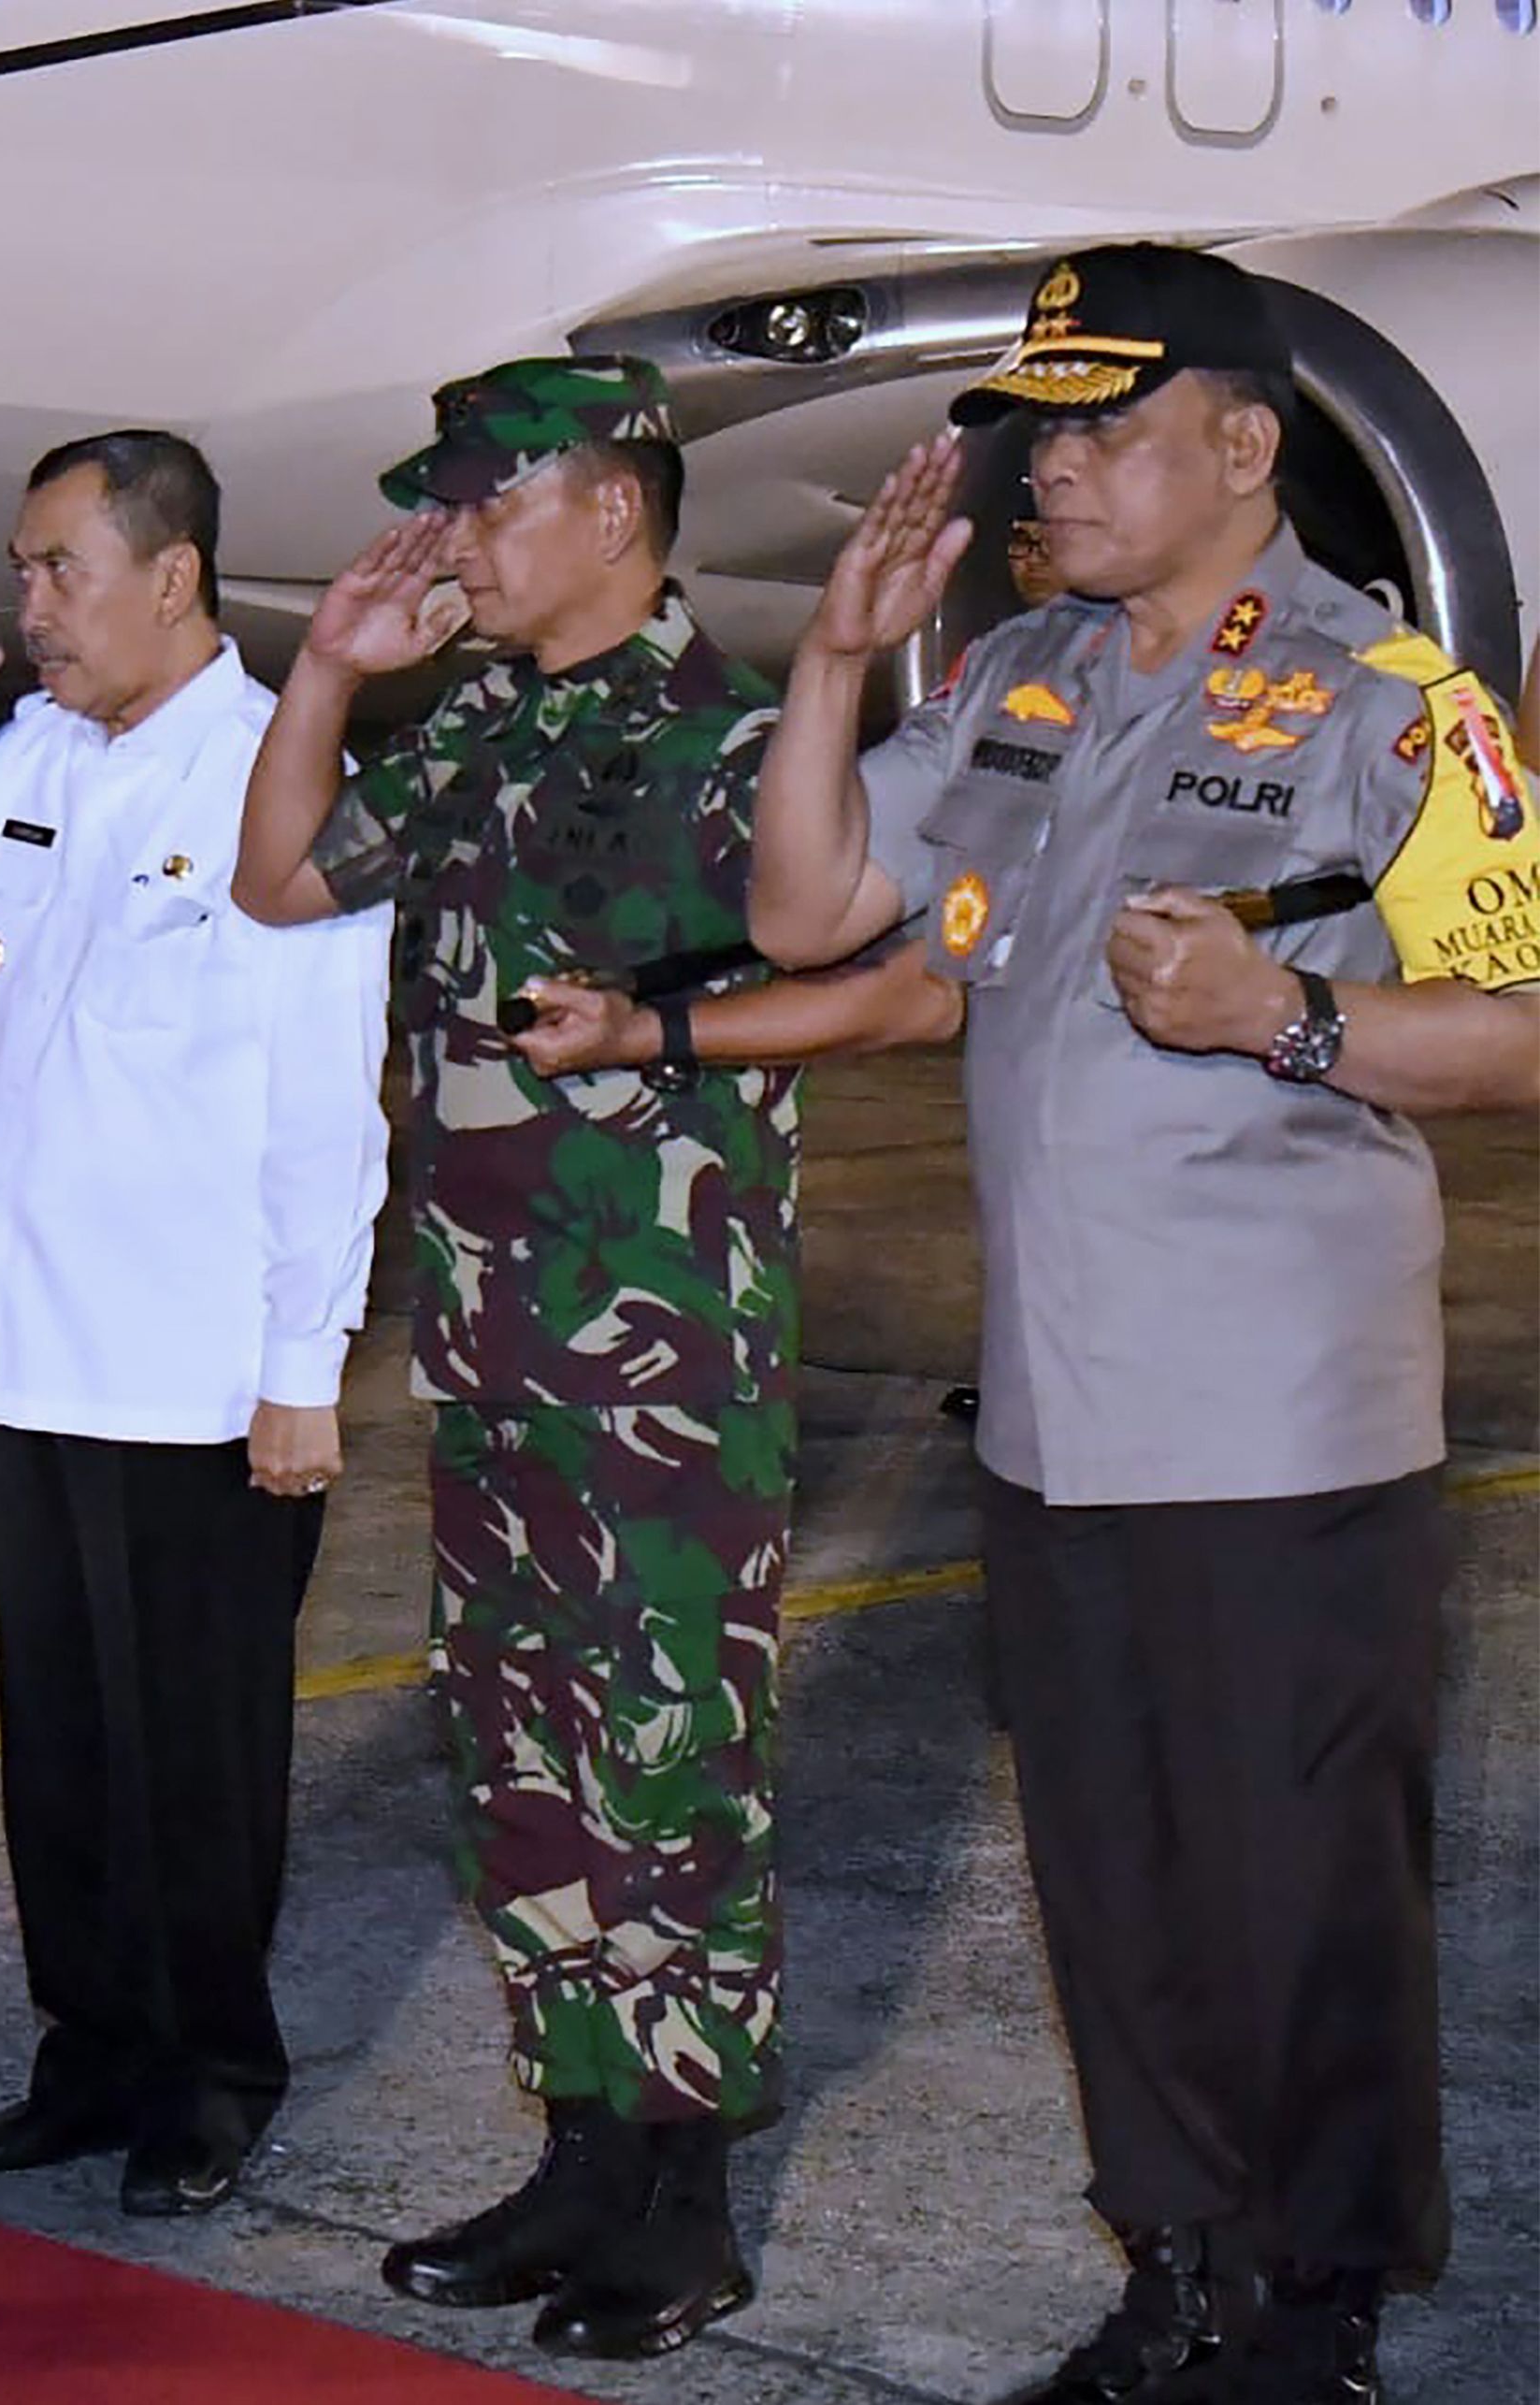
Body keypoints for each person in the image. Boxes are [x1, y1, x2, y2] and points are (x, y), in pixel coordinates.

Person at [744, 243, 1540, 2405]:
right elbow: (809, 909)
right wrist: (833, 664)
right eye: (1042, 426)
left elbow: (1528, 1021)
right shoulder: (1026, 674)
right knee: (1112, 1880)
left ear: (1243, 449)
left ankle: (1314, 2313)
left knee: (1304, 1900)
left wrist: (1296, 1012)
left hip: (1280, 1428)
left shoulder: (1399, 705)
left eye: (1103, 429)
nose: (1051, 467)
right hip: (1060, 1420)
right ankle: (1177, 2268)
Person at [232, 358, 817, 2360]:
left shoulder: (733, 738)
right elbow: (283, 879)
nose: (456, 538)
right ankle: (577, 2141)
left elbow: (877, 969)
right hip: (488, 1354)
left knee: (668, 1756)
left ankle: (686, 2189)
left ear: (614, 513)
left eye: (489, 503)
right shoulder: (484, 716)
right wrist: (325, 672)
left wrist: (659, 1042)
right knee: (517, 1756)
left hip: (660, 1370)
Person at [0, 431, 390, 2218]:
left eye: (60, 570)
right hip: (33, 1358)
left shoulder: (281, 776)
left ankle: (214, 2071)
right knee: (61, 1747)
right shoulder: (38, 754)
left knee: (199, 1761)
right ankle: (92, 2052)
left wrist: (307, 1370)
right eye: (28, 568)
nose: (32, 607)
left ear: (175, 576)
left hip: (202, 1376)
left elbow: (326, 1111)